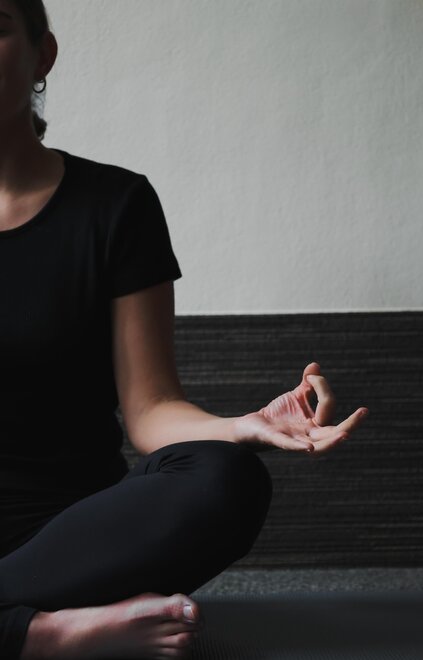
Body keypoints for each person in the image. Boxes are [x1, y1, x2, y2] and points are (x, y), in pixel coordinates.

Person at [0, 1, 369, 658]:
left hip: (75, 534)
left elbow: (150, 410)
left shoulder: (116, 205)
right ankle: (40, 634)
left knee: (228, 477)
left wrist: (245, 426)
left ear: (41, 55)